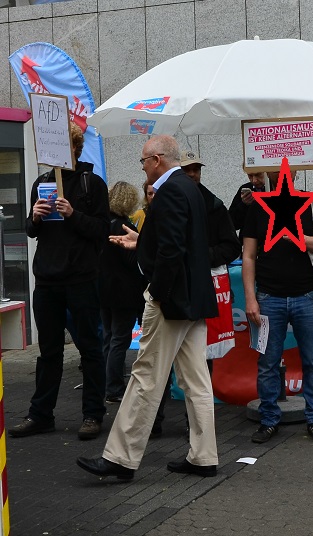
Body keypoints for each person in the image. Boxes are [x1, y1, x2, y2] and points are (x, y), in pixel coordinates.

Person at [76, 135, 219, 480]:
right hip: (194, 299)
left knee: (144, 376)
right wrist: (143, 242)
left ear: (156, 160)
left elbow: (172, 252)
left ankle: (121, 458)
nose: (142, 167)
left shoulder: (170, 191)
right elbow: (182, 243)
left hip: (171, 301)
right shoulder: (191, 189)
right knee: (197, 382)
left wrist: (156, 292)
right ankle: (204, 456)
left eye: (143, 161)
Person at [9, 122, 110, 441]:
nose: (52, 154)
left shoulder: (91, 183)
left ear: (75, 149)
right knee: (48, 351)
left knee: (90, 348)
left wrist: (73, 214)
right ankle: (41, 414)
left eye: (60, 147)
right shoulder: (41, 183)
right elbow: (30, 230)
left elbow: (102, 230)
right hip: (47, 280)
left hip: (81, 278)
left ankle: (93, 414)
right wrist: (35, 217)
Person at [152, 149, 241, 437]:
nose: (193, 174)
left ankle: (198, 425)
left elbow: (231, 246)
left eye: (196, 170)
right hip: (177, 290)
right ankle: (156, 418)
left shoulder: (213, 204)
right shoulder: (167, 196)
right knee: (162, 361)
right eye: (188, 169)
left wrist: (201, 257)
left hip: (202, 289)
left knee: (202, 360)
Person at [242, 168, 313, 443]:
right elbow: (248, 256)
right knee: (267, 363)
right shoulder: (258, 207)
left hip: (306, 295)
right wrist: (250, 298)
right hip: (269, 297)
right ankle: (269, 420)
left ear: (296, 172)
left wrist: (295, 236)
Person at [100, 181, 145, 404]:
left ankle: (105, 385)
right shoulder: (126, 228)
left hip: (103, 291)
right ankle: (114, 389)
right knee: (120, 340)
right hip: (123, 293)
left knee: (108, 338)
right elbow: (135, 264)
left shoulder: (101, 224)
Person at [229, 171, 266, 241]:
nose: (254, 180)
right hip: (248, 239)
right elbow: (232, 223)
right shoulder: (245, 189)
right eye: (250, 176)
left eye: (258, 175)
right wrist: (243, 205)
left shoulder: (275, 188)